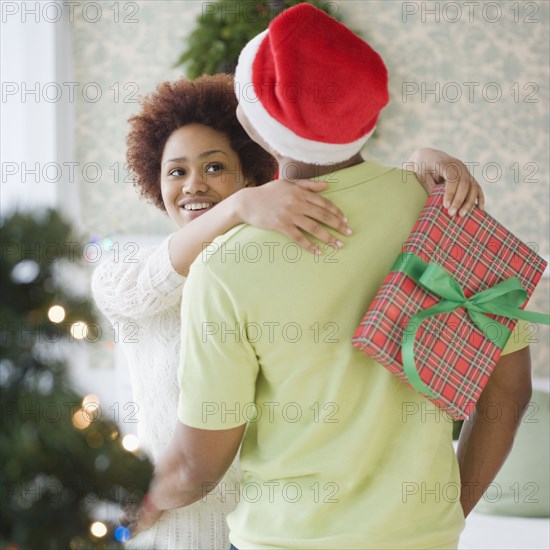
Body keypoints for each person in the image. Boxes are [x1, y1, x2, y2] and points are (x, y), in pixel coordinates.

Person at [128, 4, 533, 550]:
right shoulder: (449, 210)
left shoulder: (227, 265)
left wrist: (129, 505)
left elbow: (198, 467)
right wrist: (446, 513)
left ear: (251, 124)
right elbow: (509, 393)